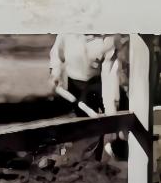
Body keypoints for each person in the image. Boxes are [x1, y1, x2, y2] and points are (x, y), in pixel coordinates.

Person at [50, 33, 129, 161]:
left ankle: (104, 153)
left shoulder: (107, 37)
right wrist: (56, 73)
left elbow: (111, 64)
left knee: (102, 120)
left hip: (98, 83)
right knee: (84, 124)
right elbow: (57, 55)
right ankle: (86, 157)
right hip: (75, 84)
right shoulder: (67, 33)